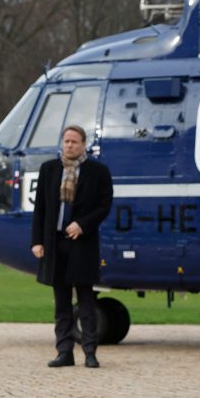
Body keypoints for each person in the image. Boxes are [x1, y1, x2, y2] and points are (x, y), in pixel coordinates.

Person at [31, 125, 113, 369]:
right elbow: (41, 209)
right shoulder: (49, 169)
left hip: (82, 243)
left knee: (86, 301)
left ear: (83, 144)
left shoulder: (97, 171)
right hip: (55, 243)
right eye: (66, 141)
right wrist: (37, 241)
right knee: (61, 302)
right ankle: (64, 351)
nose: (69, 145)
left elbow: (104, 205)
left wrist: (82, 225)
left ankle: (90, 352)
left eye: (74, 142)